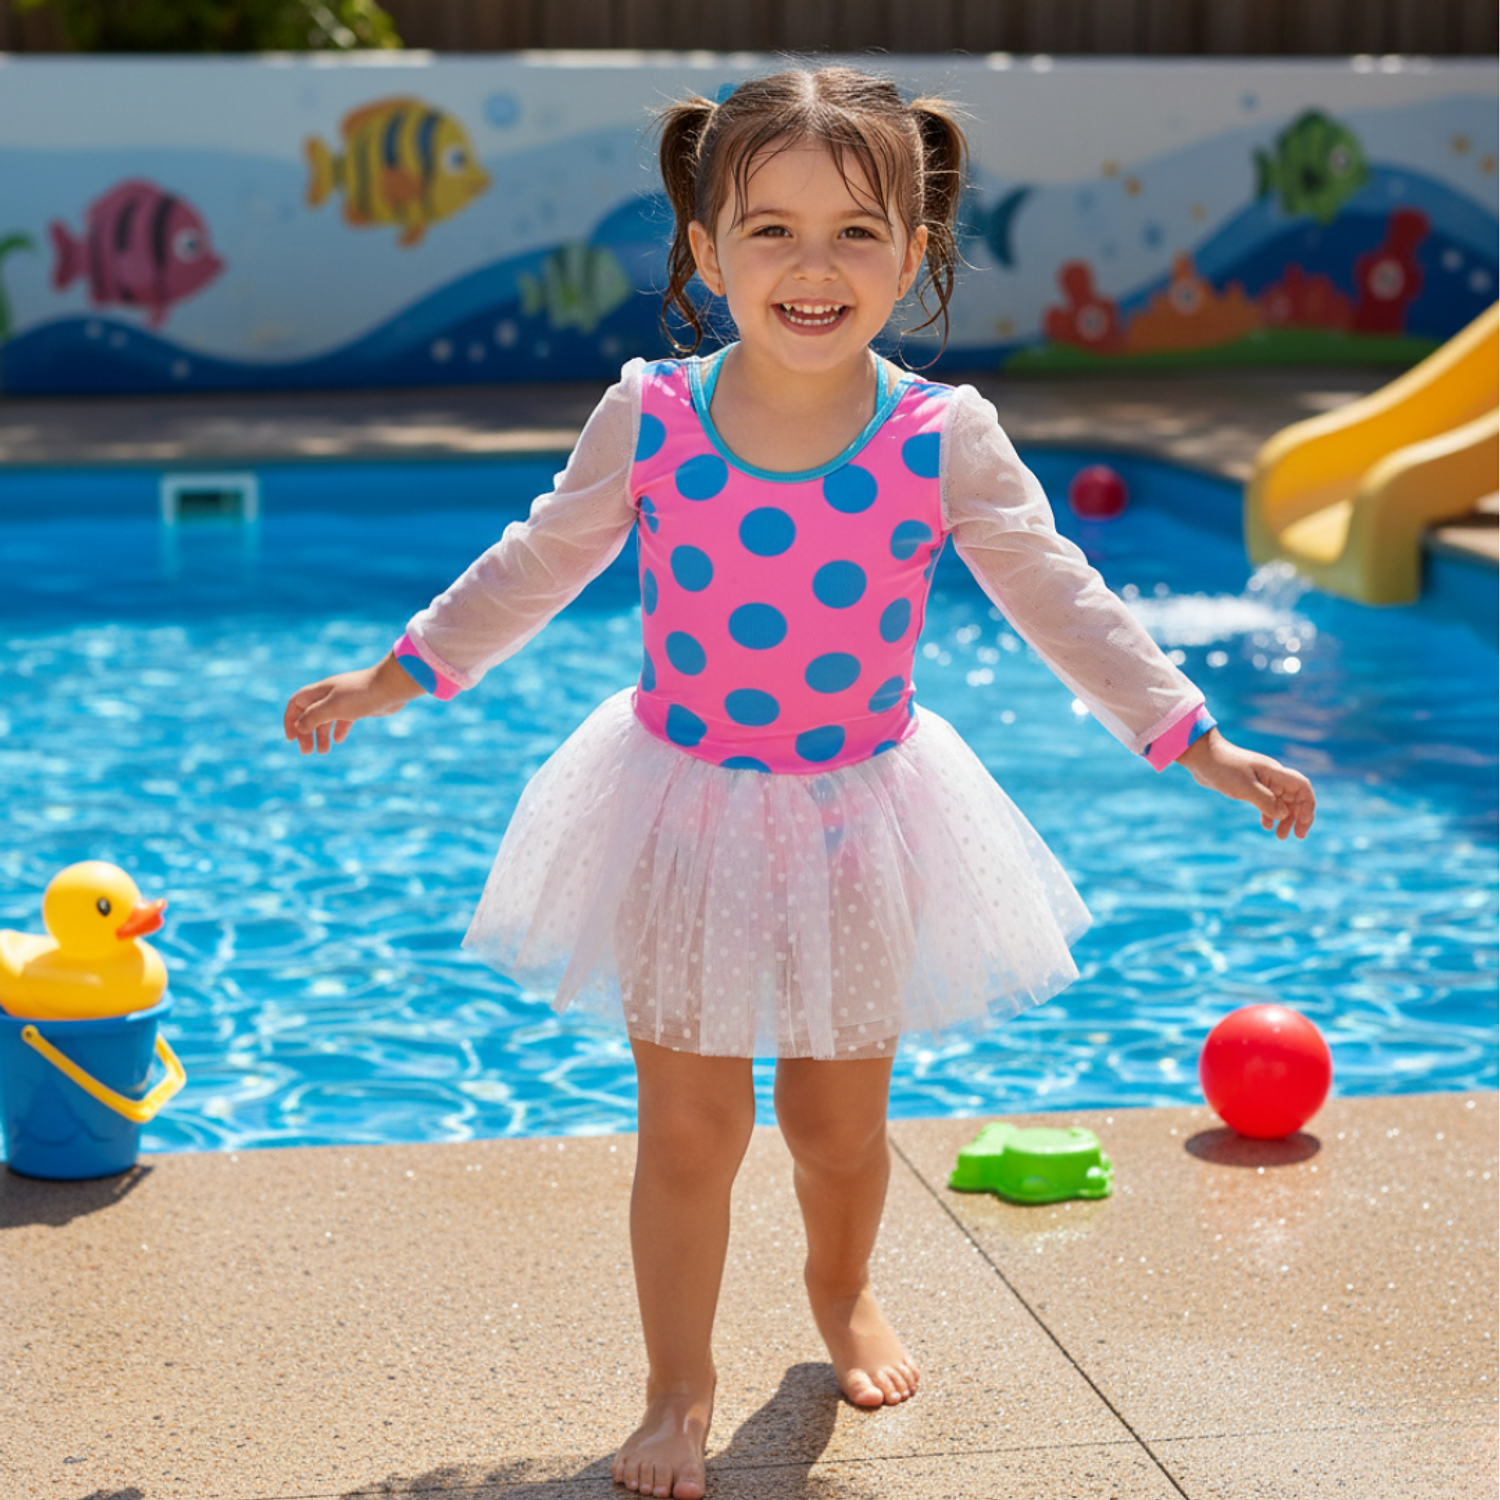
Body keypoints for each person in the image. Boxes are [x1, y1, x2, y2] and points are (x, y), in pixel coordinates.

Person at [283, 66, 1316, 1500]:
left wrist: (1191, 737)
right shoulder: (648, 415)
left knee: (837, 1131)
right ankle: (677, 1387)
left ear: (917, 252)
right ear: (704, 251)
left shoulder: (938, 436)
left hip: (860, 818)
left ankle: (841, 1295)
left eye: (856, 231)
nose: (812, 267)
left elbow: (1064, 601)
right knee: (689, 1131)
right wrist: (394, 676)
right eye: (769, 231)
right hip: (678, 804)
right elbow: (536, 562)